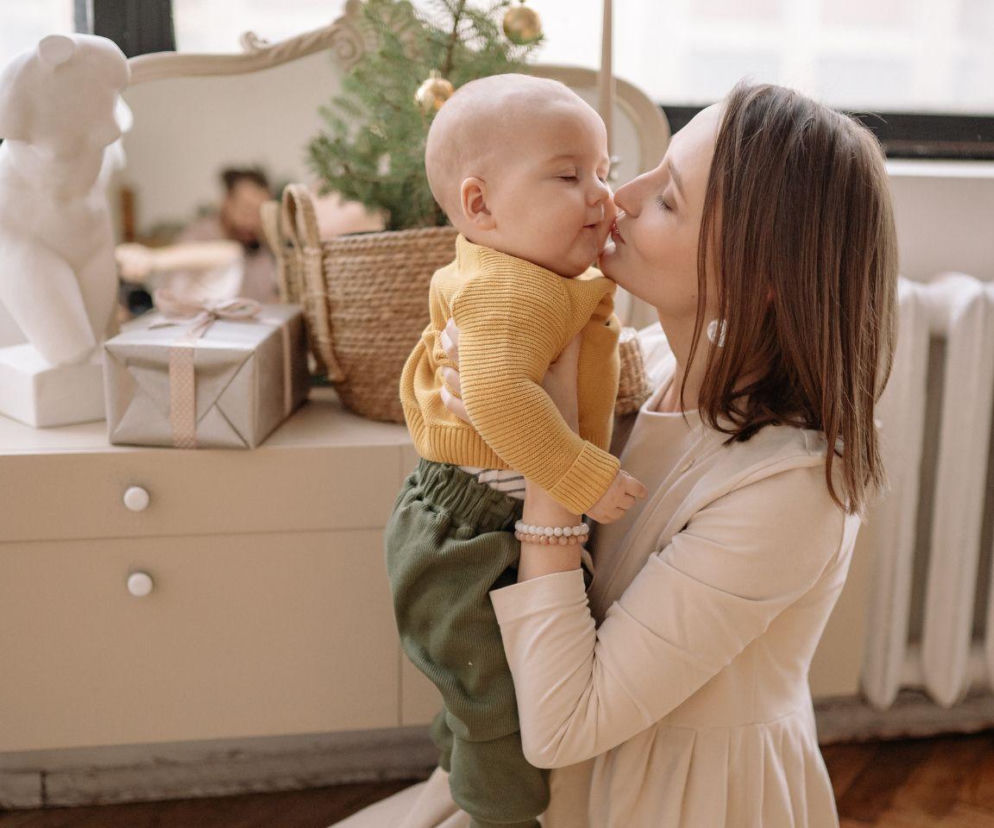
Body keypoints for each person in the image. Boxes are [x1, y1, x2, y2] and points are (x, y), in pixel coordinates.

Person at [336, 79, 897, 827]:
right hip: (551, 778)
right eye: (650, 168)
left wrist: (551, 469)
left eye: (668, 199)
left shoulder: (788, 488)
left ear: (758, 279)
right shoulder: (651, 371)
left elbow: (566, 722)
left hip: (670, 799)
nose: (618, 197)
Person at [387, 73, 648, 828]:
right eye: (569, 176)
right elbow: (499, 397)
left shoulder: (528, 274)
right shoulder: (514, 290)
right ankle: (497, 816)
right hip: (470, 530)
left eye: (605, 171)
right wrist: (579, 477)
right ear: (480, 206)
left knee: (477, 689)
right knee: (497, 705)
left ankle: (461, 783)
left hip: (470, 514)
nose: (601, 196)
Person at [115, 166, 278, 306]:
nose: (251, 221)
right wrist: (150, 259)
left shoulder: (259, 248)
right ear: (227, 202)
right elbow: (222, 255)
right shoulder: (199, 235)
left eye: (259, 213)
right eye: (246, 210)